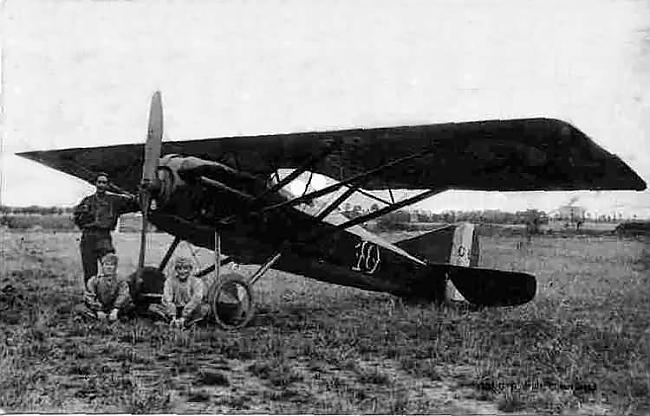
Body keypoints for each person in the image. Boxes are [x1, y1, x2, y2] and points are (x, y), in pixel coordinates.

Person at [73, 172, 140, 284]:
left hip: (104, 237)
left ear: (108, 185)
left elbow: (134, 204)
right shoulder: (87, 201)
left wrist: (140, 196)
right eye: (99, 182)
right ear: (95, 184)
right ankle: (91, 297)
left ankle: (108, 295)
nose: (101, 185)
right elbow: (77, 217)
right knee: (90, 272)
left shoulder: (115, 201)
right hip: (88, 238)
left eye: (104, 182)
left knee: (110, 267)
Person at [148, 256, 209, 328]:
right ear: (176, 270)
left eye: (185, 268)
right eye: (179, 268)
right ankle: (172, 322)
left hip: (190, 310)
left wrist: (184, 316)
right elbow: (167, 299)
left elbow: (196, 299)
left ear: (190, 269)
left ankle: (187, 322)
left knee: (205, 308)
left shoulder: (196, 282)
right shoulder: (170, 281)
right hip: (174, 309)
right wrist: (173, 316)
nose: (182, 271)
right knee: (153, 307)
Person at [74, 253, 133, 322]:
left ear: (115, 267)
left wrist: (116, 309)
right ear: (102, 266)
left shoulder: (121, 281)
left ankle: (116, 316)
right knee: (80, 307)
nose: (109, 267)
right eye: (107, 264)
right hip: (98, 307)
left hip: (114, 308)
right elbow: (90, 296)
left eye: (112, 265)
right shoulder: (94, 280)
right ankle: (95, 316)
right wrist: (98, 310)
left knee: (131, 307)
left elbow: (123, 294)